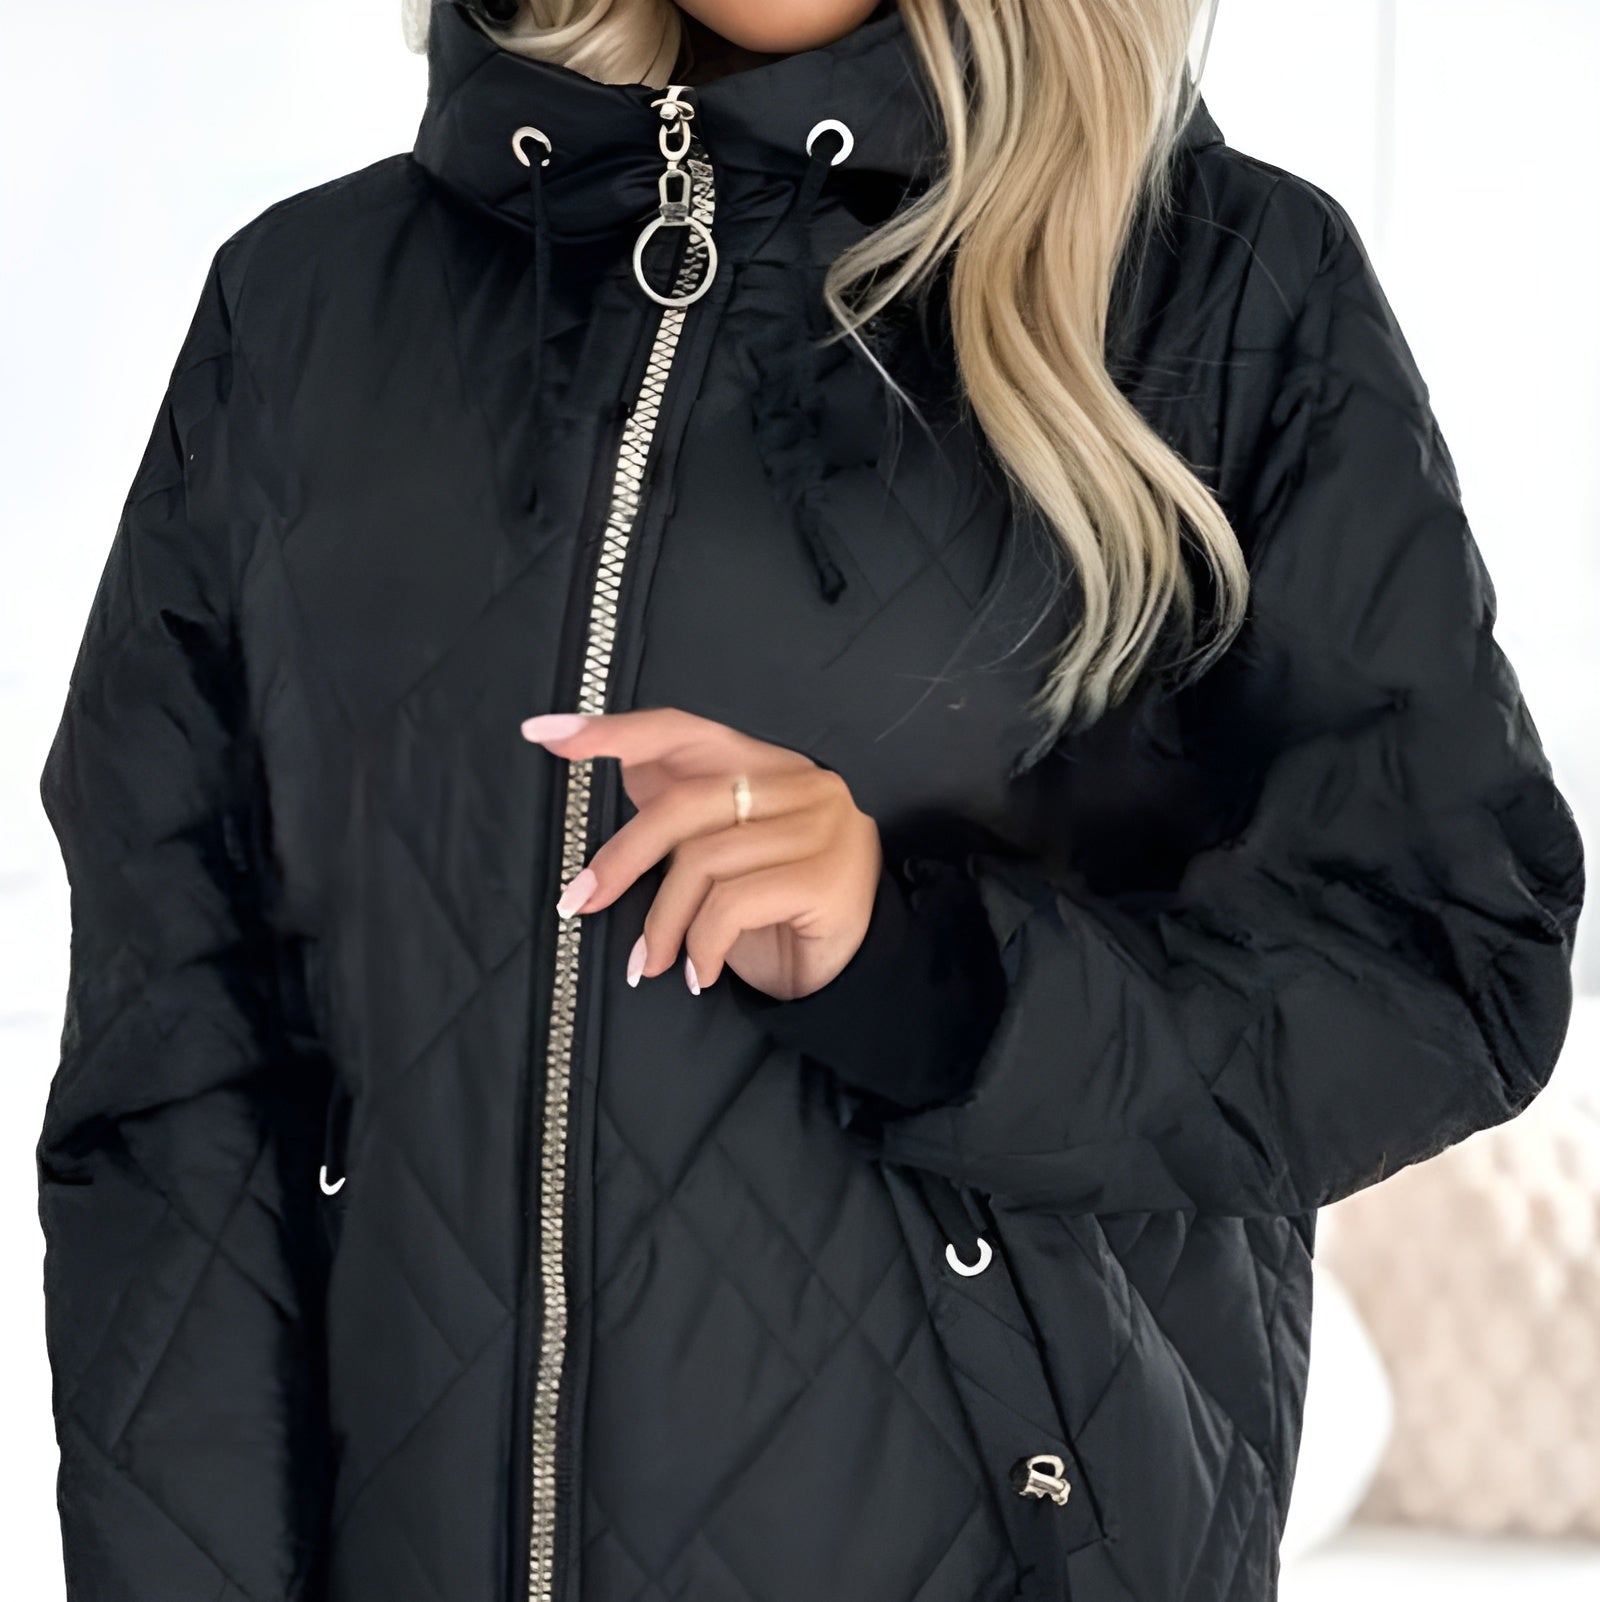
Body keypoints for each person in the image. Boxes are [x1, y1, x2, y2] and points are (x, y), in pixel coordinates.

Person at [34, 0, 1585, 1598]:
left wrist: (934, 981)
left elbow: (1451, 964)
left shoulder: (1223, 287)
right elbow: (174, 1094)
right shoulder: (304, 307)